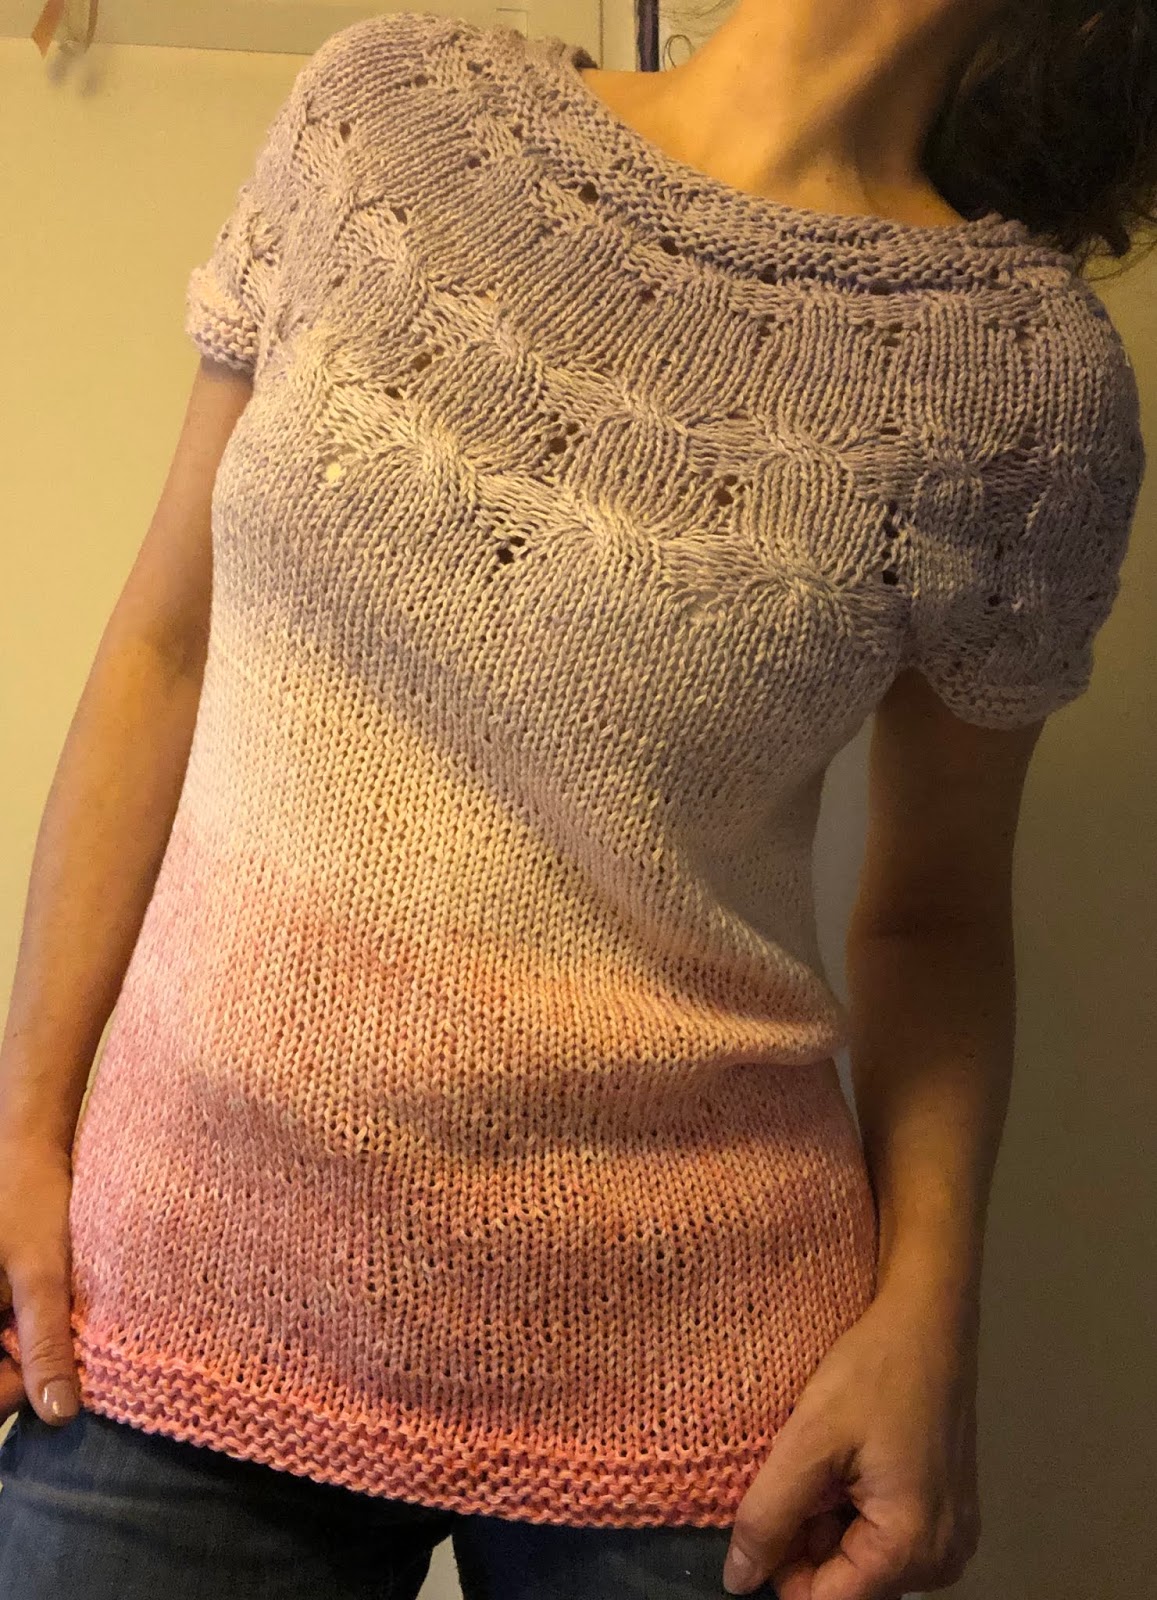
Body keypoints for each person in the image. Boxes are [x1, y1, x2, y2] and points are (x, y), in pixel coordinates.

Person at [0, 3, 1149, 1598]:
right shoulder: (391, 113)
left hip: (696, 1390)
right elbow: (164, 651)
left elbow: (935, 914)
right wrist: (24, 1126)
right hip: (177, 1286)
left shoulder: (1019, 388)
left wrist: (928, 1317)